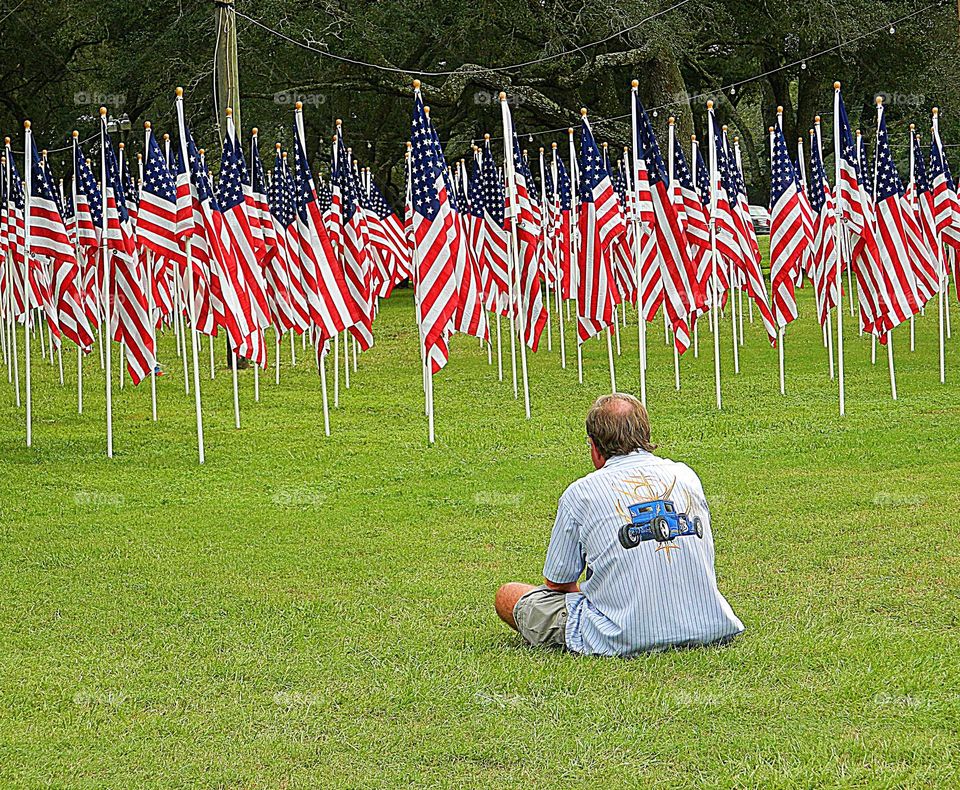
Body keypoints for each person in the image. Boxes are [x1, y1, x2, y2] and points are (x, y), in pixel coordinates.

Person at [495, 393, 744, 657]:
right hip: (709, 625)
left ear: (594, 446)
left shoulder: (581, 493)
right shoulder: (686, 476)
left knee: (508, 594)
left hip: (620, 636)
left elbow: (558, 583)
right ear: (645, 433)